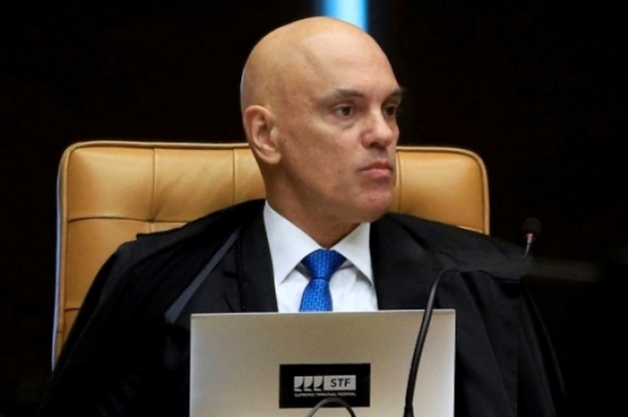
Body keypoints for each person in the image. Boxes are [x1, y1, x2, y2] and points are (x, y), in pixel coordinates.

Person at [38, 16, 562, 417]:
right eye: (346, 110)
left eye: (390, 109)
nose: (384, 133)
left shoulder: (486, 284)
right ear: (266, 135)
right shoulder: (156, 280)